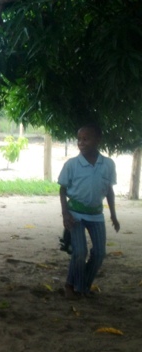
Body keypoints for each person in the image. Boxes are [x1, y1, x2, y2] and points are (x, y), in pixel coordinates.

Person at [58, 124, 119, 299]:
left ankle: (83, 285)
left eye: (86, 139)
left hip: (96, 215)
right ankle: (70, 286)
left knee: (99, 254)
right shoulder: (72, 164)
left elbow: (109, 191)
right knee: (79, 252)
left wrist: (113, 215)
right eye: (79, 139)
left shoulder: (107, 164)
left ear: (98, 140)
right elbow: (62, 189)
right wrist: (65, 214)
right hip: (75, 214)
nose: (81, 143)